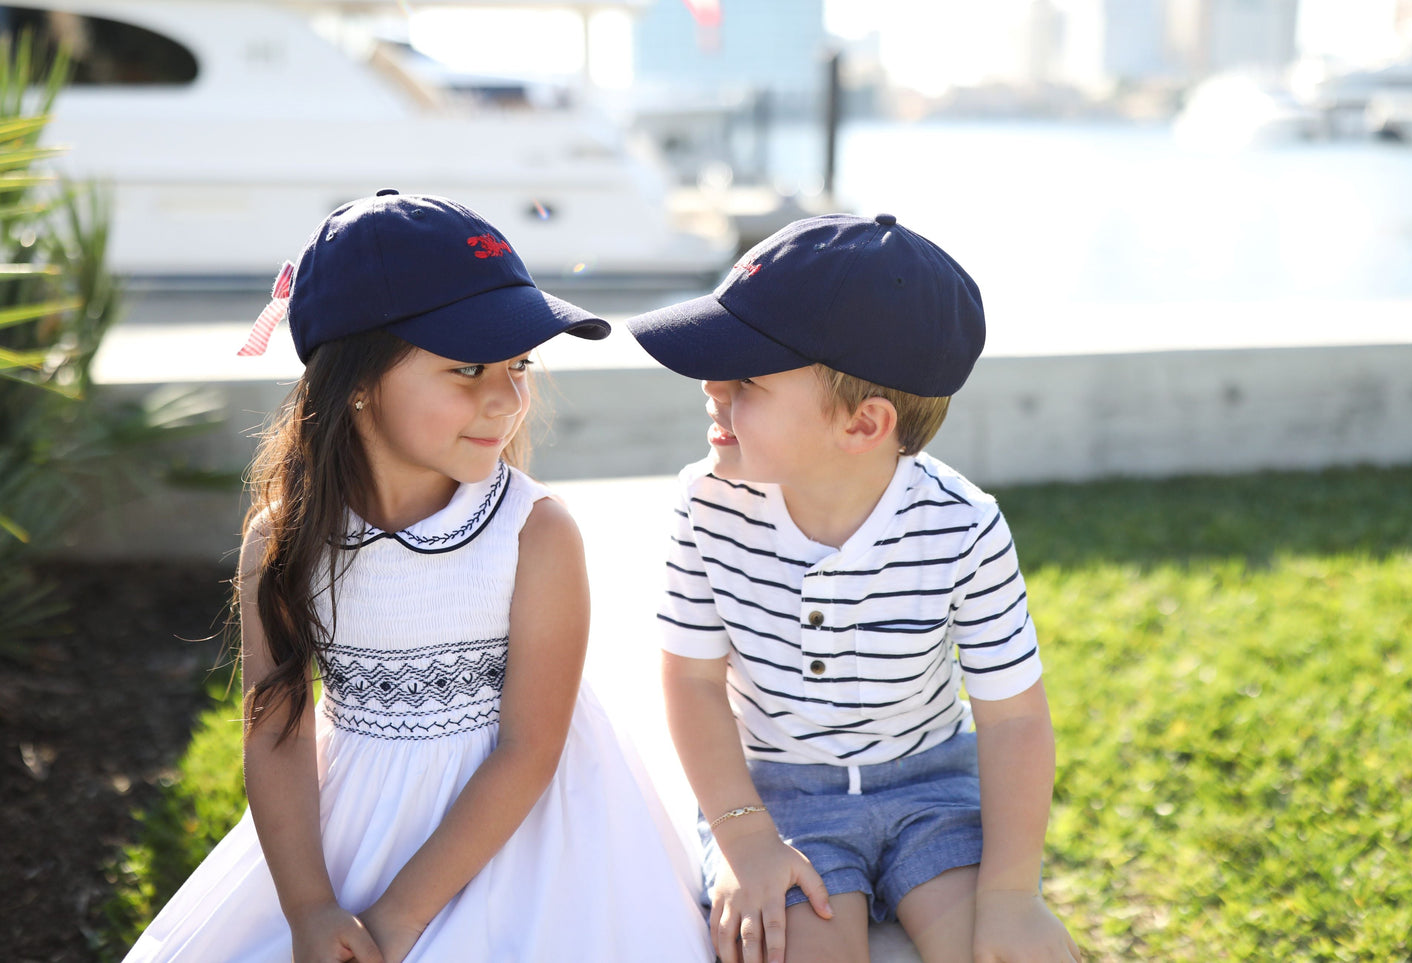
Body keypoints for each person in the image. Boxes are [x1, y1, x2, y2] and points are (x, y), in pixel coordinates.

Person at [125, 190, 712, 963]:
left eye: (519, 363)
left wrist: (399, 918)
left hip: (530, 839)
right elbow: (276, 728)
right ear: (357, 377)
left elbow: (529, 748)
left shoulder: (534, 534)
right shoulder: (284, 540)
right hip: (347, 837)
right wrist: (307, 905)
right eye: (467, 367)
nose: (505, 397)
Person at [625, 213, 1082, 963]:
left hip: (932, 791)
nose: (710, 386)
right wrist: (745, 839)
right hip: (778, 798)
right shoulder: (706, 505)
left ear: (863, 425)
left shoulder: (962, 525)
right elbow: (693, 681)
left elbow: (1014, 722)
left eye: (744, 378)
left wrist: (1009, 896)